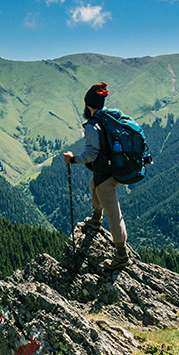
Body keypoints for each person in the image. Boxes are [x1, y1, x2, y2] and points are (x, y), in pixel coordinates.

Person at [63, 82, 130, 270]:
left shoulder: (93, 125)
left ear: (88, 105)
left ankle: (121, 255)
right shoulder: (110, 116)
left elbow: (91, 154)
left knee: (114, 214)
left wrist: (73, 159)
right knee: (94, 184)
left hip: (108, 174)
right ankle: (95, 219)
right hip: (118, 167)